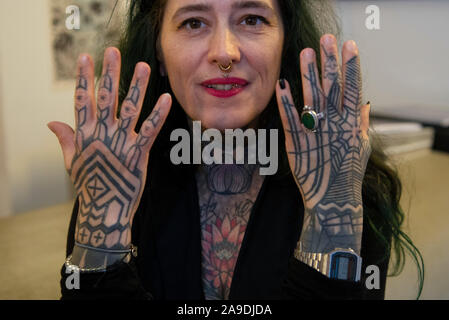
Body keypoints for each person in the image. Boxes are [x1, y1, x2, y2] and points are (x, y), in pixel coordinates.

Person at [48, 0, 424, 300]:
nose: (224, 53)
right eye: (194, 22)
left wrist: (331, 222)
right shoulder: (116, 174)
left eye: (252, 19)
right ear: (159, 52)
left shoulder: (346, 178)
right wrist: (102, 243)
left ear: (285, 42)